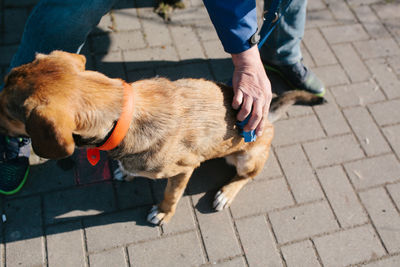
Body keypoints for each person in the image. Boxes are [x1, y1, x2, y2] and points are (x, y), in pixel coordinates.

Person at [0, 0, 324, 195]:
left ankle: (280, 53)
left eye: (11, 115)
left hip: (231, 145)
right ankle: (20, 137)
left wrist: (246, 56)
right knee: (69, 8)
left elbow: (185, 167)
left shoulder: (158, 158)